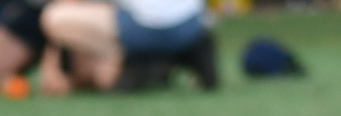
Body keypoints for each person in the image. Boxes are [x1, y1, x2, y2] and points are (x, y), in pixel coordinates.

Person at [38, 0, 217, 93]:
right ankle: (164, 58)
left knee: (54, 17)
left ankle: (140, 60)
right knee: (104, 76)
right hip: (192, 25)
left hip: (139, 28)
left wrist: (52, 69)